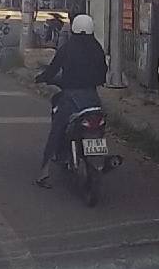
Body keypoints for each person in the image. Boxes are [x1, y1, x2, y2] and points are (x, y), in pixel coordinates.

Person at [33, 14, 107, 188]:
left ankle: (43, 173)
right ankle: (99, 158)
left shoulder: (67, 48)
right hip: (93, 99)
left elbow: (52, 70)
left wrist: (41, 78)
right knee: (100, 127)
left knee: (57, 130)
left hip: (71, 98)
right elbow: (103, 72)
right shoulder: (97, 48)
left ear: (74, 28)